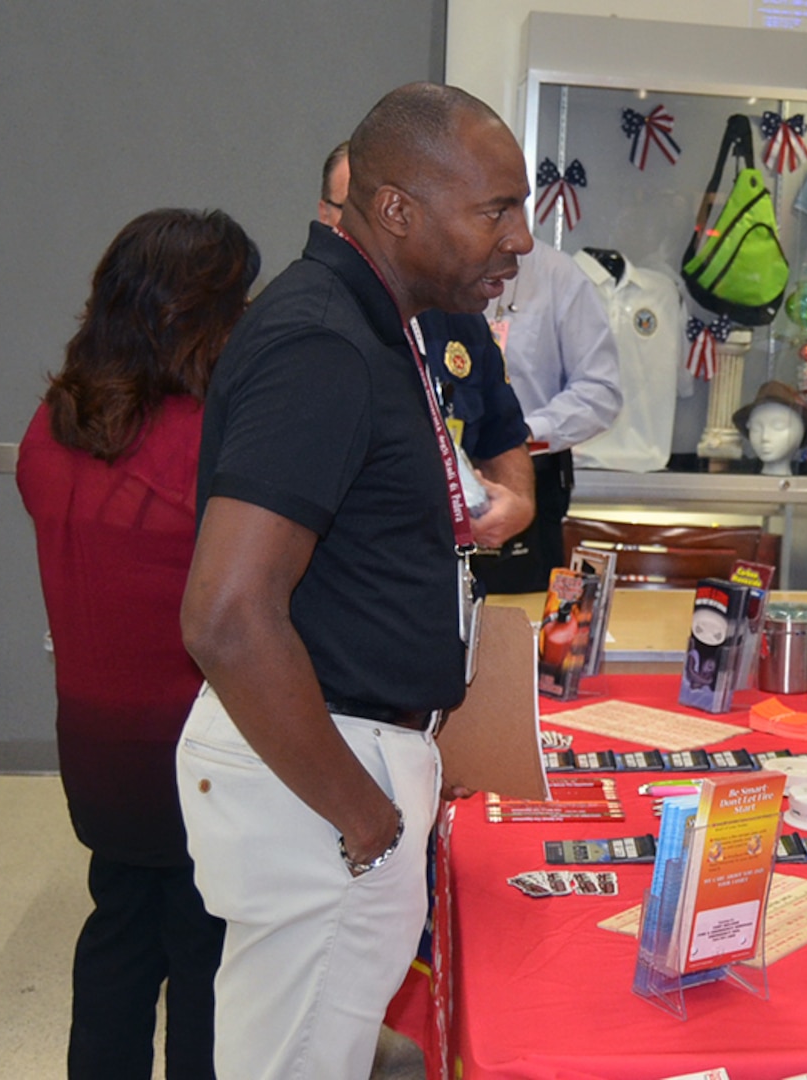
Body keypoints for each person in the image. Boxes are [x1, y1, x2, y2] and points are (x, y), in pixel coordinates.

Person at [175, 82, 532, 1079]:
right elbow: (228, 616)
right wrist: (363, 810)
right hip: (322, 783)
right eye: (494, 209)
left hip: (344, 761)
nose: (522, 240)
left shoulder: (374, 327)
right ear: (396, 210)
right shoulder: (322, 343)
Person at [17, 207, 260, 1079]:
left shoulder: (55, 427)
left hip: (93, 744)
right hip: (195, 750)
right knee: (205, 956)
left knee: (118, 930)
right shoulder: (209, 441)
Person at [320, 140, 534, 549]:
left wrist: (518, 504)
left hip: (449, 567)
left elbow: (501, 434)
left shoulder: (458, 317)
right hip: (361, 566)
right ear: (326, 214)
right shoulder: (320, 326)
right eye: (355, 210)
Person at [476, 238, 622, 593]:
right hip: (436, 477)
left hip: (529, 474)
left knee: (518, 626)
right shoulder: (429, 261)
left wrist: (520, 433)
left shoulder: (558, 275)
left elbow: (600, 391)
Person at [734, 380, 807, 475]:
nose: (764, 437)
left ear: (800, 432)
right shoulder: (736, 481)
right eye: (756, 428)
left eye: (778, 427)